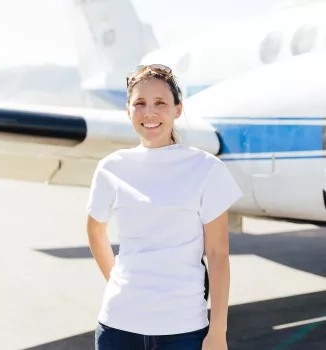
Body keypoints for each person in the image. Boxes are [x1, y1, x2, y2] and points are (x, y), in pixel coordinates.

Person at [86, 64, 243, 350]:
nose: (150, 112)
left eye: (160, 102)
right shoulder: (110, 168)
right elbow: (95, 232)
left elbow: (218, 255)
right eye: (140, 103)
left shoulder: (206, 168)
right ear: (128, 110)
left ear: (178, 109)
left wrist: (218, 331)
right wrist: (117, 283)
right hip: (118, 327)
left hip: (184, 330)